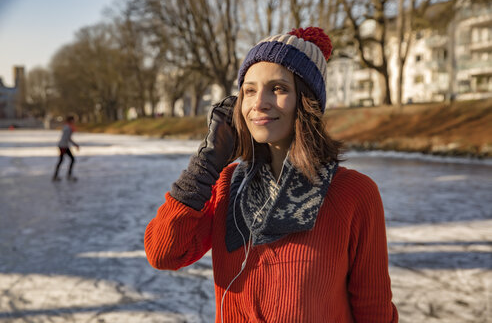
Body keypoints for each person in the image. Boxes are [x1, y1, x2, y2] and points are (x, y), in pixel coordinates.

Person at [144, 27, 398, 322]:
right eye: (249, 90)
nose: (259, 102)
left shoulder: (354, 193)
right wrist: (207, 163)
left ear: (306, 102)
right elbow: (165, 253)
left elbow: (374, 310)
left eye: (278, 88)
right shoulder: (227, 185)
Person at [52, 115, 79, 181]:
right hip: (63, 146)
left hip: (64, 145)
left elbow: (67, 138)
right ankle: (60, 176)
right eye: (73, 120)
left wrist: (74, 144)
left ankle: (59, 175)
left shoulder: (67, 126)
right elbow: (66, 138)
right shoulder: (68, 127)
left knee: (67, 160)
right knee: (65, 160)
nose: (74, 121)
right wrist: (75, 144)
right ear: (70, 120)